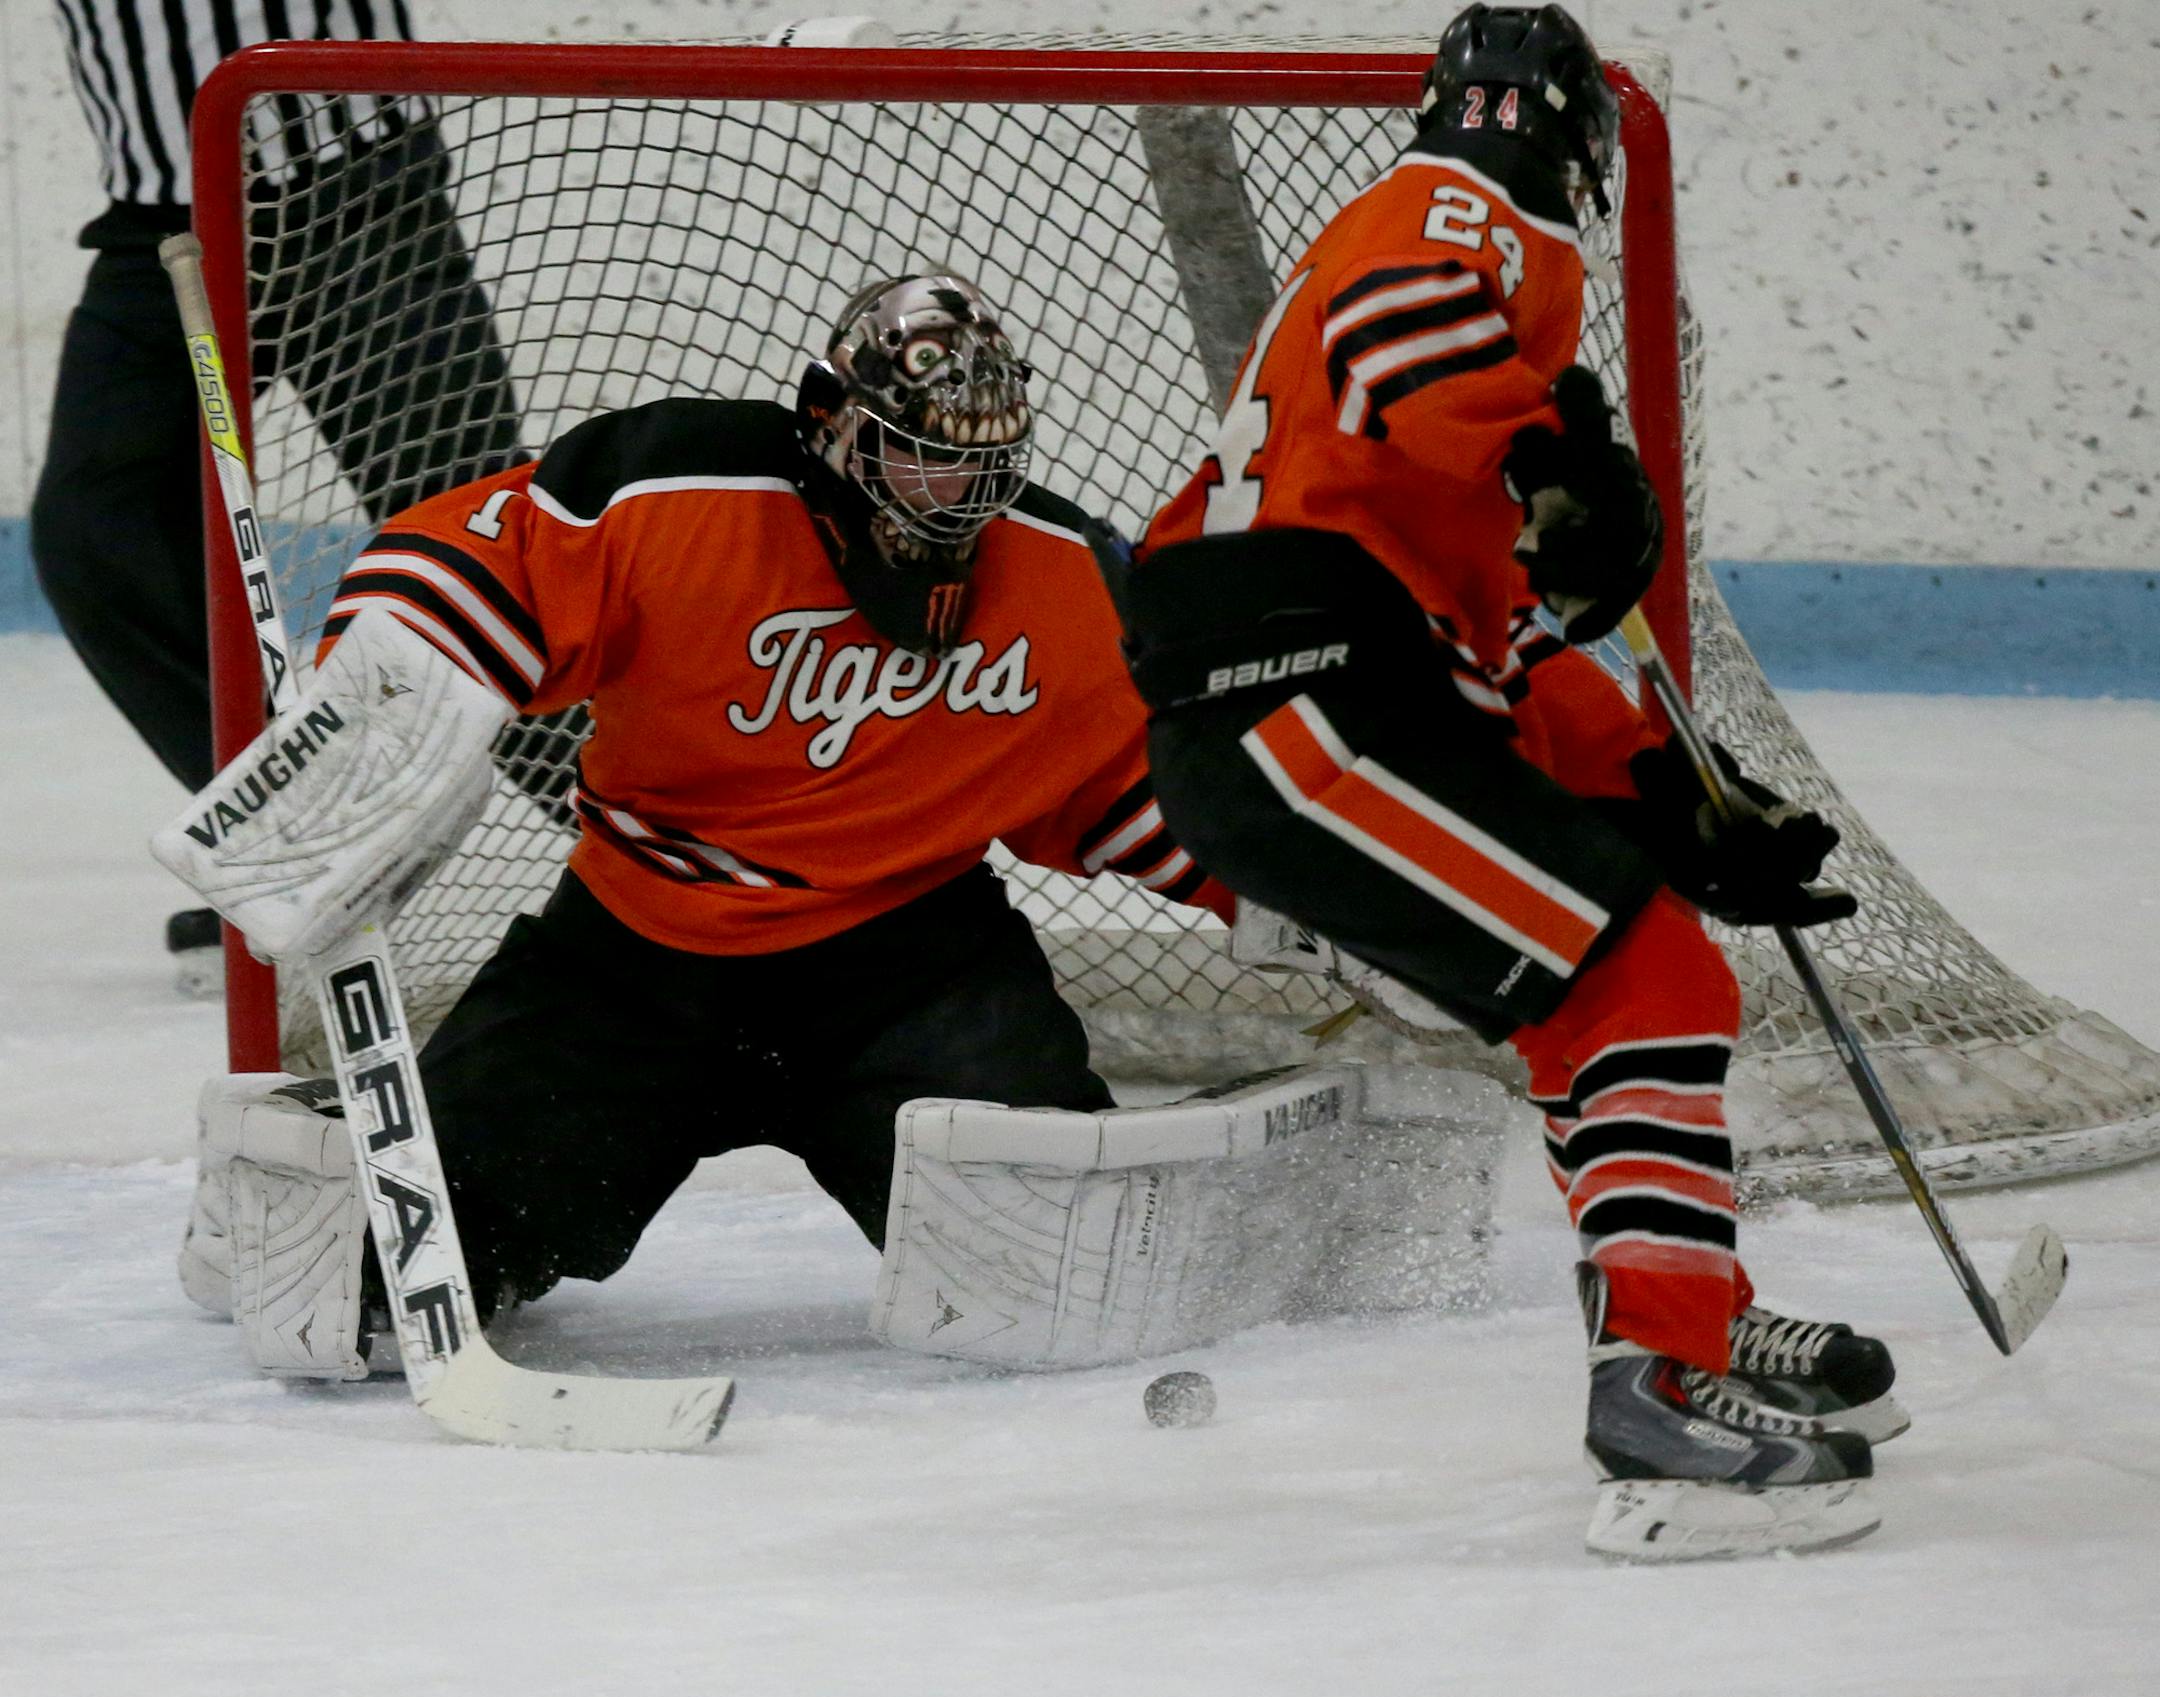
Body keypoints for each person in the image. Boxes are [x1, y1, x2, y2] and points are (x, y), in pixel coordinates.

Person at [1110, 4, 1899, 1560]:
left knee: (1594, 993)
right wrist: (1556, 446)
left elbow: (1506, 648)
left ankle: (1691, 1322)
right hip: (1300, 699)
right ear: (1585, 144)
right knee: (1650, 981)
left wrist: (1676, 791)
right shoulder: (1481, 222)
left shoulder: (1418, 446)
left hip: (1310, 696)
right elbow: (1396, 317)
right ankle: (1658, 1381)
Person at [166, 274, 1231, 1353]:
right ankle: (286, 1171)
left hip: (912, 971)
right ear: (830, 421)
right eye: (920, 450)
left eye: (983, 458)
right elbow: (467, 562)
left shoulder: (1067, 581)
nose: (954, 489)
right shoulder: (672, 489)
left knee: (1072, 1273)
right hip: (632, 956)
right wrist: (373, 722)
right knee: (374, 1279)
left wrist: (1311, 897)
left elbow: (1153, 793)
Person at [35, 2, 524, 988]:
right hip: (166, 215)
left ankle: (731, 874)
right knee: (97, 531)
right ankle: (315, 851)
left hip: (354, 184)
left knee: (496, 558)